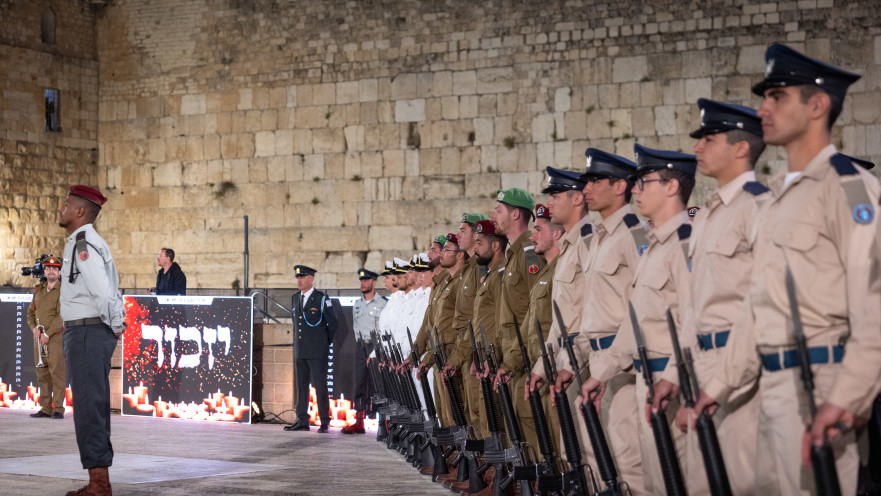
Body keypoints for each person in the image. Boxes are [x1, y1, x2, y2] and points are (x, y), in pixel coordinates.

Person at [693, 43, 881, 495]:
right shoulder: (777, 199)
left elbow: (874, 300)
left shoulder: (849, 188)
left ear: (817, 106)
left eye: (777, 97)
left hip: (821, 383)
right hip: (772, 388)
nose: (763, 108)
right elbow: (757, 307)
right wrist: (718, 386)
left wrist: (849, 396)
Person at [587, 144, 697, 495]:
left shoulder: (685, 244)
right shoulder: (655, 248)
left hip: (671, 383)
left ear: (671, 186)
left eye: (644, 182)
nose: (636, 189)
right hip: (646, 379)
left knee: (677, 482)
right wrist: (602, 373)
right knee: (651, 482)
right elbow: (634, 323)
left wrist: (678, 380)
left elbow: (694, 321)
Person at [681, 98, 768, 494]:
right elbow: (693, 305)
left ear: (741, 147)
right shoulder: (708, 216)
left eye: (709, 139)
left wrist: (720, 384)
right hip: (701, 365)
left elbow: (762, 307)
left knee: (742, 482)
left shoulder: (758, 207)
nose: (697, 147)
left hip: (741, 372)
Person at [567, 148, 647, 494]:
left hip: (623, 364)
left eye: (595, 180)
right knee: (596, 457)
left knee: (628, 461)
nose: (586, 188)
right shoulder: (599, 238)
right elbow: (592, 312)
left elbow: (643, 305)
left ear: (620, 187)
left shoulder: (635, 233)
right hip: (595, 360)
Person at [58, 185, 126, 496]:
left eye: (66, 204)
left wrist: (115, 324)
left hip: (86, 333)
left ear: (80, 211)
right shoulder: (83, 241)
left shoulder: (83, 244)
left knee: (88, 407)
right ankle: (100, 480)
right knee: (91, 405)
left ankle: (99, 484)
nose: (62, 209)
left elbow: (103, 291)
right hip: (87, 332)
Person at [285, 265, 339, 434]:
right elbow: (297, 324)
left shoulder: (321, 298)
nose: (299, 280)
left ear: (311, 278)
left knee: (320, 386)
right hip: (301, 350)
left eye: (302, 277)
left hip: (317, 350)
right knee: (301, 386)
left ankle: (324, 421)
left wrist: (324, 342)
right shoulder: (295, 298)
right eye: (297, 277)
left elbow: (333, 323)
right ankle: (302, 420)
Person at [469, 220, 507, 439]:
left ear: (495, 246)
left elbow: (502, 319)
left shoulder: (500, 275)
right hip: (485, 356)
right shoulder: (491, 276)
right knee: (483, 415)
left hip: (495, 357)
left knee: (495, 420)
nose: (474, 248)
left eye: (479, 243)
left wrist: (494, 356)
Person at [343, 268, 387, 435]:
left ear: (374, 282)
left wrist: (377, 348)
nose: (363, 283)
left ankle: (383, 423)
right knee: (360, 382)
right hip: (361, 346)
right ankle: (359, 421)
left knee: (379, 384)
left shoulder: (382, 303)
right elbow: (356, 327)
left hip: (376, 346)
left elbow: (384, 327)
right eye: (361, 280)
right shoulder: (357, 304)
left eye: (366, 280)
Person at [26, 256, 65, 420]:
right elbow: (30, 312)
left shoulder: (64, 291)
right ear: (44, 271)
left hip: (55, 337)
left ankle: (58, 409)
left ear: (60, 272)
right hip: (39, 338)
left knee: (57, 373)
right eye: (48, 268)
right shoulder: (38, 290)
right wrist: (33, 328)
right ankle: (46, 408)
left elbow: (62, 315)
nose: (51, 271)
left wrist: (47, 334)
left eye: (55, 268)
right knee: (42, 373)